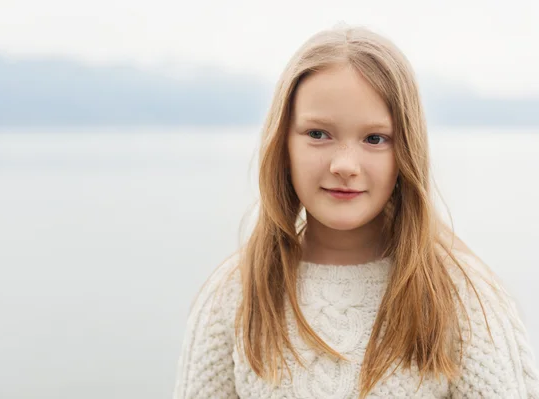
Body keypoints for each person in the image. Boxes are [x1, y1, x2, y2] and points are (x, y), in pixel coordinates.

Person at [172, 24, 539, 398]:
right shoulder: (236, 294)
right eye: (318, 134)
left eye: (375, 139)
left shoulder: (461, 296)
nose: (345, 165)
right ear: (283, 145)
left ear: (406, 152)